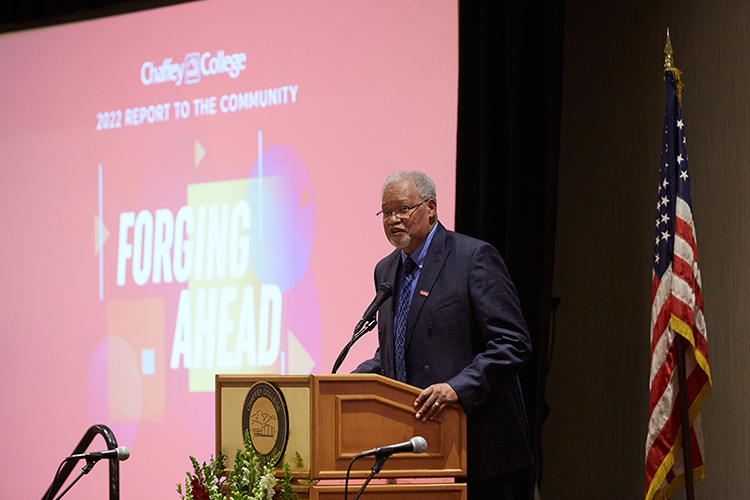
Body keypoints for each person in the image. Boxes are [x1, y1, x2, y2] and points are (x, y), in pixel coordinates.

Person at [353, 171, 533, 499]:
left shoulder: (472, 258)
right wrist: (348, 384)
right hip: (418, 449)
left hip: (478, 450)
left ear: (431, 208)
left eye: (403, 209)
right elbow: (395, 349)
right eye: (387, 212)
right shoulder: (386, 269)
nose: (394, 219)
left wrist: (456, 388)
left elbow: (512, 343)